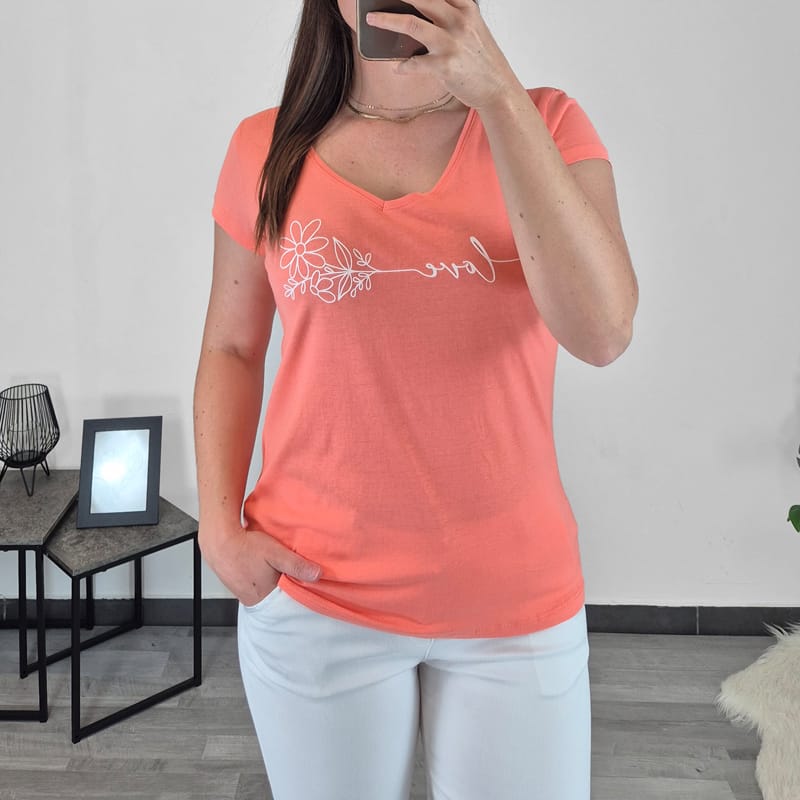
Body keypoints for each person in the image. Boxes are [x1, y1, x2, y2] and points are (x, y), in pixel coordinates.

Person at [193, 0, 638, 798]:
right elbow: (231, 346)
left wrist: (497, 96)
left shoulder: (548, 124)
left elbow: (603, 333)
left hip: (514, 597)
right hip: (315, 592)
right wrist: (219, 528)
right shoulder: (266, 147)